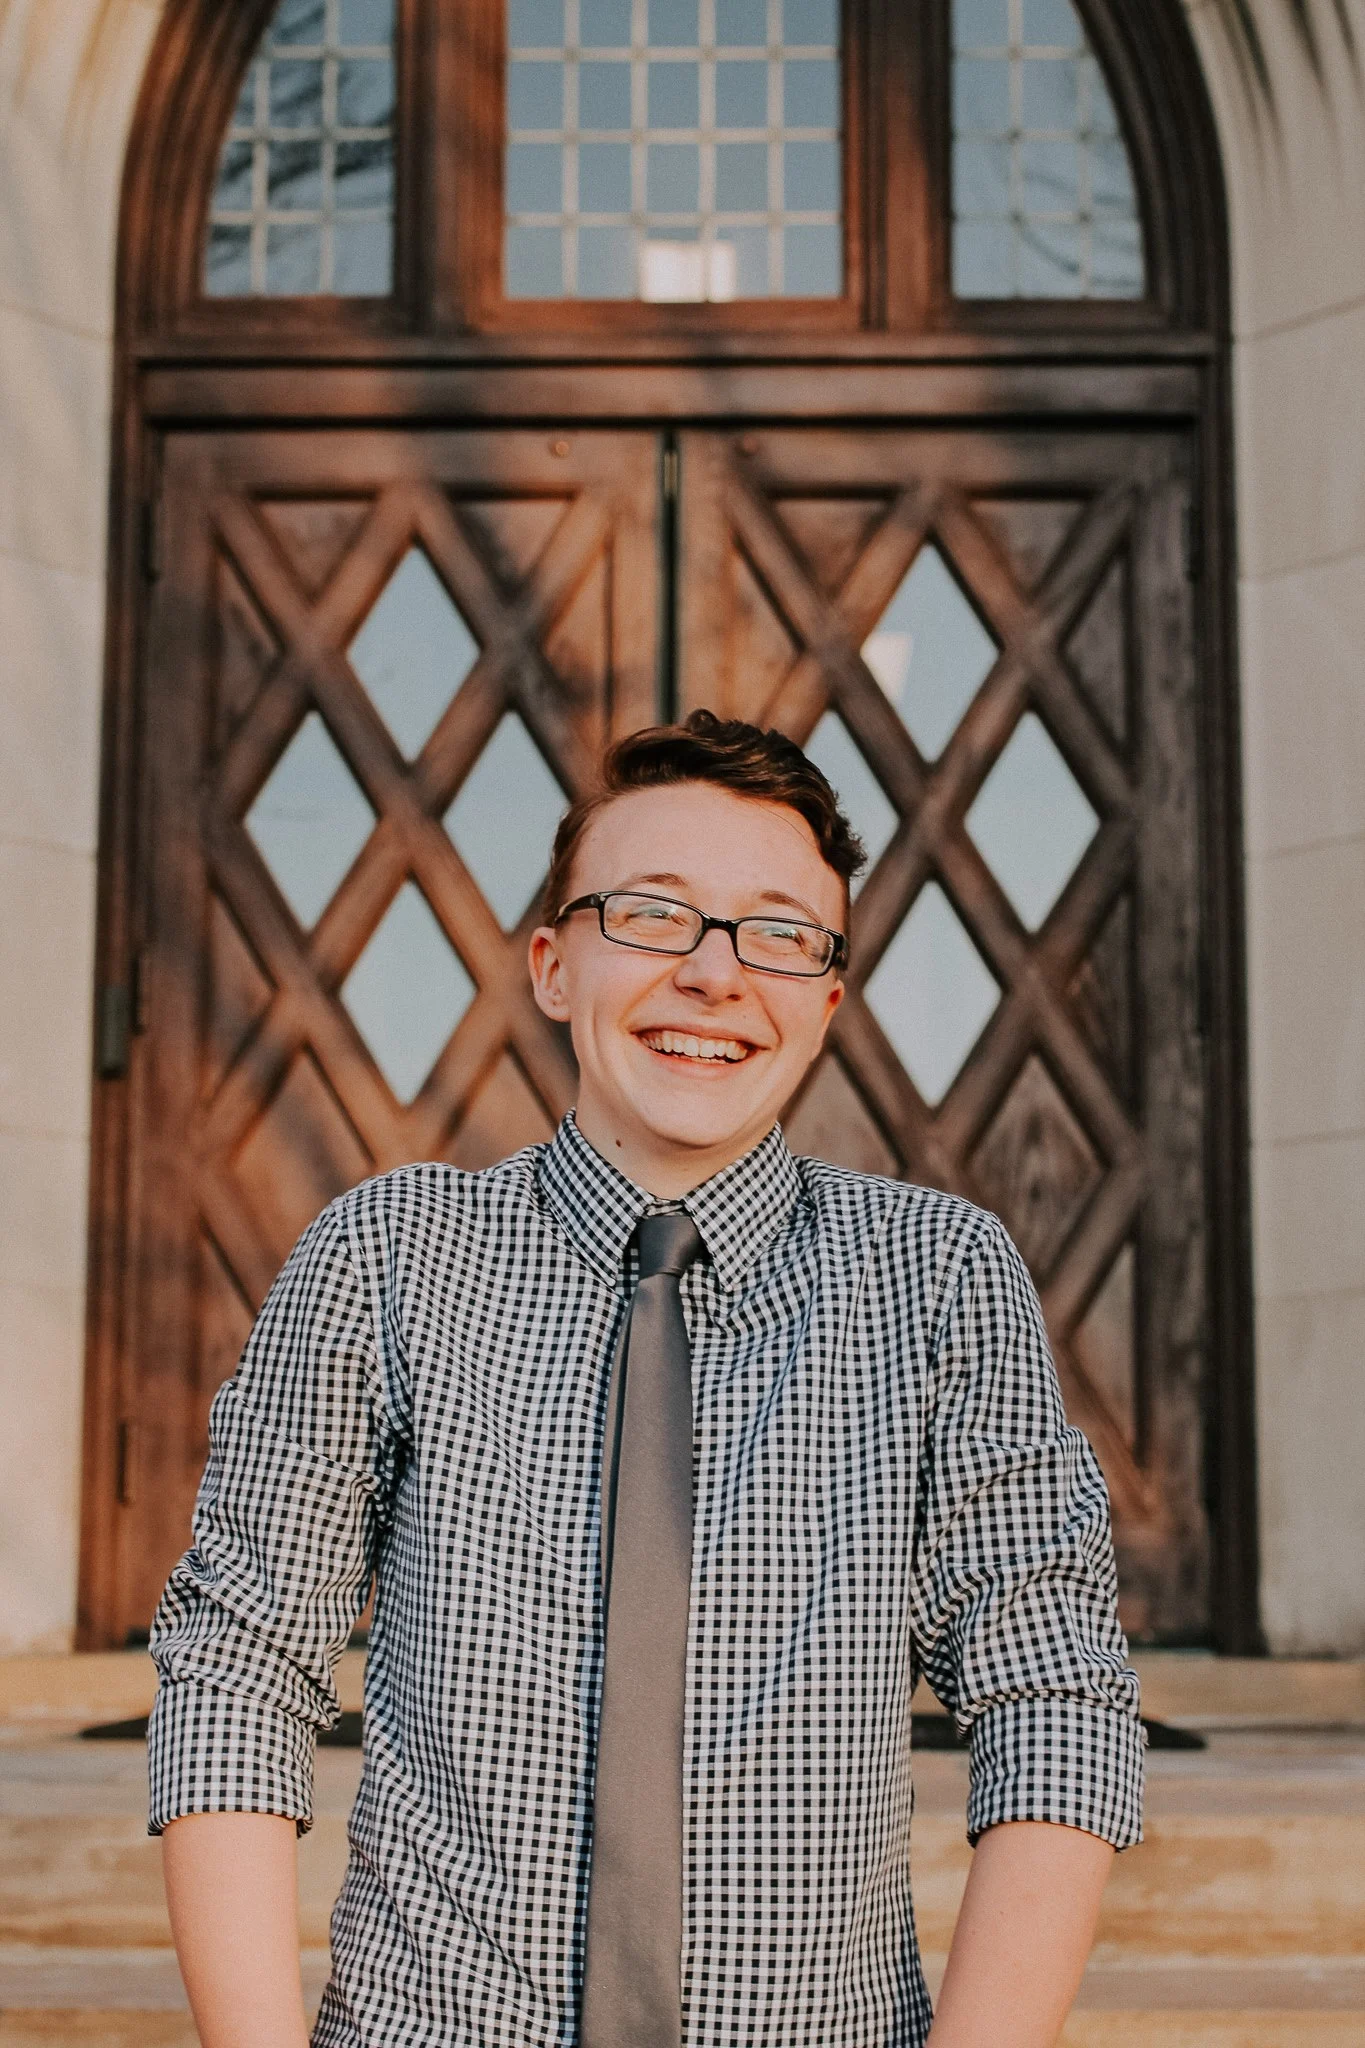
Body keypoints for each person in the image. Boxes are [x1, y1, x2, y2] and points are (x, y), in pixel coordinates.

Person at [150, 709, 1144, 2048]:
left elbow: (1053, 1692)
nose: (714, 973)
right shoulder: (386, 1257)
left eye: (779, 934)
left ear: (825, 1004)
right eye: (654, 915)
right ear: (555, 965)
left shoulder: (939, 1278)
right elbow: (239, 1667)